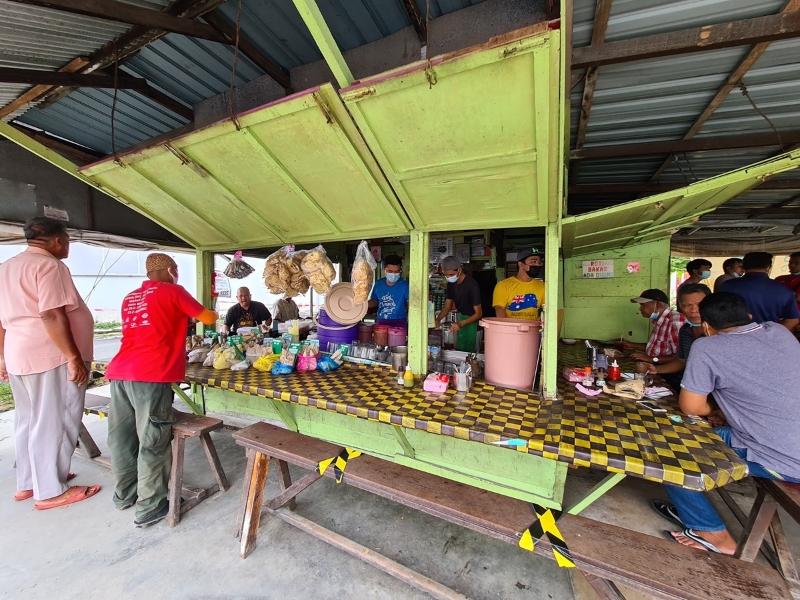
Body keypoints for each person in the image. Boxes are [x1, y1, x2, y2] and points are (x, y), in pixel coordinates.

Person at [651, 293, 800, 554]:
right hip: (776, 438)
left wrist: (715, 408)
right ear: (750, 317)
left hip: (784, 459)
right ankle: (691, 504)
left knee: (669, 451)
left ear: (706, 326)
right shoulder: (778, 331)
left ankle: (711, 532)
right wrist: (727, 408)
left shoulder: (707, 346)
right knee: (705, 436)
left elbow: (691, 408)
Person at [105, 253, 218, 528]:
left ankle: (125, 495)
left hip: (120, 373)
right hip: (151, 375)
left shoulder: (130, 297)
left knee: (122, 439)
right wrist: (211, 309)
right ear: (171, 269)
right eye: (176, 270)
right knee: (152, 440)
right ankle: (151, 506)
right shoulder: (173, 290)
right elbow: (207, 317)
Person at [0, 217, 100, 509]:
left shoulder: (6, 268)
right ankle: (50, 490)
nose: (67, 246)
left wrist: (3, 356)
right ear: (58, 241)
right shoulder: (49, 266)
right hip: (49, 355)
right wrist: (73, 358)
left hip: (20, 354)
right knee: (55, 420)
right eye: (67, 241)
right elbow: (51, 315)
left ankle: (30, 483)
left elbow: (2, 320)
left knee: (29, 420)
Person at [642, 283, 711, 394]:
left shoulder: (720, 333)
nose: (694, 310)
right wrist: (656, 370)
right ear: (680, 307)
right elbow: (681, 361)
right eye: (687, 305)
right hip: (689, 385)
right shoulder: (686, 330)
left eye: (700, 304)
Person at [719, 251, 799, 331]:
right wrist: (770, 333)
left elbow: (716, 313)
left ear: (744, 266)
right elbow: (792, 320)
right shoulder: (783, 290)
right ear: (768, 267)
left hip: (734, 337)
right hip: (767, 339)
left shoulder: (727, 286)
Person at [623, 289, 686, 366]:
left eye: (643, 304)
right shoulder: (659, 320)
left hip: (668, 372)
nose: (640, 308)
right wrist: (633, 345)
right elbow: (659, 348)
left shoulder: (676, 321)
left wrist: (651, 359)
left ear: (658, 305)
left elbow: (682, 356)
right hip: (655, 366)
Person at [433, 256, 483, 352]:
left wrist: (461, 323)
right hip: (461, 320)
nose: (448, 277)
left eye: (451, 274)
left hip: (473, 323)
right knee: (460, 352)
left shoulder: (472, 285)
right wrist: (438, 319)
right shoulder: (451, 284)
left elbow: (478, 314)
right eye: (446, 275)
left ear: (459, 270)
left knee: (471, 355)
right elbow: (447, 305)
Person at [493, 249, 545, 320]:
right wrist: (507, 327)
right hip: (511, 329)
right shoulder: (503, 285)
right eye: (533, 262)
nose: (537, 265)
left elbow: (547, 309)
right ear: (521, 264)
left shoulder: (542, 286)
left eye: (539, 262)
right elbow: (499, 309)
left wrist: (539, 321)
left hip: (532, 329)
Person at [368, 255, 409, 327]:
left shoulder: (405, 286)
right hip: (381, 321)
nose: (393, 274)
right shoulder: (379, 284)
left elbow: (410, 305)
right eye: (390, 271)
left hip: (399, 323)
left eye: (396, 271)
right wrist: (362, 305)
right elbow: (375, 301)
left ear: (400, 270)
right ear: (384, 269)